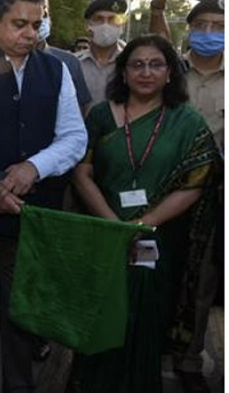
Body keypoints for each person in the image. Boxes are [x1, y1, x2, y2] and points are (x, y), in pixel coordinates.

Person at [0, 0, 87, 392]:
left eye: (37, 24)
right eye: (19, 24)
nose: (30, 34)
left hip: (33, 216)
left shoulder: (55, 69)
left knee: (24, 313)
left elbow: (74, 137)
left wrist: (33, 168)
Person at [71, 34, 218, 392]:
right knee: (101, 320)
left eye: (156, 64)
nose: (146, 72)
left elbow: (195, 184)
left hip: (160, 240)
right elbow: (81, 173)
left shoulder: (187, 122)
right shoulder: (102, 115)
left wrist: (143, 224)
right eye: (137, 64)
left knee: (146, 322)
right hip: (105, 236)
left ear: (170, 73)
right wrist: (112, 223)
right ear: (123, 73)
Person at [150, 0, 224, 393]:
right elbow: (157, 40)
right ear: (189, 29)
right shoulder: (171, 72)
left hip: (214, 196)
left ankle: (190, 357)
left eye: (219, 27)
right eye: (202, 26)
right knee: (159, 268)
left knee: (204, 277)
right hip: (166, 189)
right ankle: (153, 348)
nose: (210, 33)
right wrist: (158, 6)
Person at [36, 0, 93, 112]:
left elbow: (81, 108)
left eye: (44, 15)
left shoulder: (69, 62)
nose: (38, 21)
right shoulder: (2, 62)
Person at [77, 0, 127, 112]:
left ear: (122, 26)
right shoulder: (74, 63)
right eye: (99, 19)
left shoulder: (130, 63)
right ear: (88, 25)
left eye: (112, 19)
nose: (106, 25)